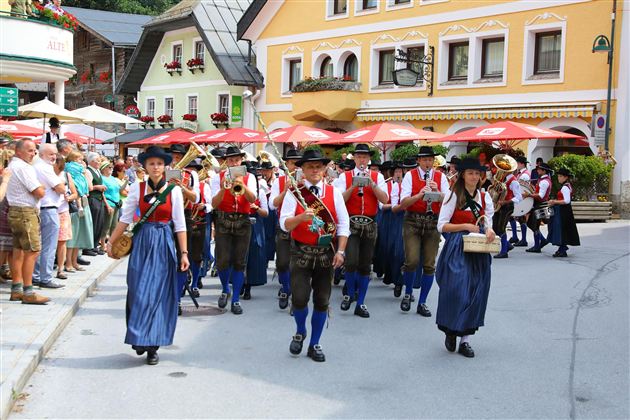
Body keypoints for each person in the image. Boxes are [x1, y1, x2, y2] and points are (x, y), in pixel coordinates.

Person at [107, 146, 189, 366]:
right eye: (152, 163)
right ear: (145, 166)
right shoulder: (137, 188)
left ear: (165, 167)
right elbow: (125, 219)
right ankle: (139, 335)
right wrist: (111, 242)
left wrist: (183, 253)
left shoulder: (174, 191)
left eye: (160, 164)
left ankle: (152, 345)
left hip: (163, 242)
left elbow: (180, 225)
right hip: (142, 242)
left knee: (157, 293)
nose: (156, 167)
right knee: (137, 289)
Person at [280, 149, 349, 362]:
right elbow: (283, 224)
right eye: (310, 166)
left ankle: (315, 343)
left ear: (324, 168)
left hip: (326, 254)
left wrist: (340, 251)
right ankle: (300, 330)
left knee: (321, 300)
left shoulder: (334, 192)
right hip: (301, 252)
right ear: (302, 169)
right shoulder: (295, 192)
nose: (315, 170)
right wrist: (301, 217)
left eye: (318, 166)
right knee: (300, 299)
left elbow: (343, 225)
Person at [435, 158, 496, 358]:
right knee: (457, 291)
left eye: (477, 174)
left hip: (478, 249)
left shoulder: (485, 197)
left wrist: (489, 231)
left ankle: (465, 339)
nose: (474, 177)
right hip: (457, 248)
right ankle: (451, 329)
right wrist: (464, 227)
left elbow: (487, 222)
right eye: (470, 173)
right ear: (463, 175)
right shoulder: (453, 195)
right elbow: (441, 225)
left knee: (475, 293)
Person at [333, 144, 388, 318]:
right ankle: (349, 293)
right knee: (351, 262)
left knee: (365, 265)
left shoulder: (377, 176)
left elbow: (385, 199)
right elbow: (339, 200)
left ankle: (361, 302)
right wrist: (353, 186)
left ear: (368, 159)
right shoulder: (345, 176)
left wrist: (372, 184)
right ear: (354, 159)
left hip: (370, 224)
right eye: (359, 157)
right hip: (351, 223)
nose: (362, 159)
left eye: (365, 157)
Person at [397, 146, 449, 317]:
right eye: (424, 160)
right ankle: (408, 293)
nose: (428, 163)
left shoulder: (441, 177)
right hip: (412, 220)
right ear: (418, 161)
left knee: (429, 264)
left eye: (430, 160)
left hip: (433, 221)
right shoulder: (410, 176)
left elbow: (449, 200)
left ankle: (422, 302)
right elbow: (403, 203)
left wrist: (437, 192)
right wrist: (420, 195)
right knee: (411, 260)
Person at [210, 146, 258, 315]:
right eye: (231, 160)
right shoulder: (217, 178)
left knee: (239, 262)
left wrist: (242, 184)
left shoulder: (250, 177)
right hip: (223, 220)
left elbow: (253, 199)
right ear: (226, 162)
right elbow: (214, 204)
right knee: (222, 260)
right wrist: (224, 189)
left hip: (242, 221)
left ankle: (236, 299)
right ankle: (225, 289)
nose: (234, 163)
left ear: (241, 160)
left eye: (237, 160)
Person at [6, 140, 49, 304]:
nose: (33, 154)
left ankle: (16, 289)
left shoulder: (13, 166)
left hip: (15, 210)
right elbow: (39, 191)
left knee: (19, 251)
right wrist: (42, 188)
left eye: (34, 151)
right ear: (18, 152)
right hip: (25, 212)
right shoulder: (24, 168)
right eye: (30, 151)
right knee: (32, 251)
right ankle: (28, 292)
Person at [269, 148, 302, 309]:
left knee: (298, 264)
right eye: (292, 163)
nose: (295, 167)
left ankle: (295, 296)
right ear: (286, 164)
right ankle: (287, 288)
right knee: (282, 263)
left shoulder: (307, 181)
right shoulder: (279, 181)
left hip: (302, 226)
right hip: (284, 226)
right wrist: (285, 191)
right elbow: (272, 204)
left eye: (298, 164)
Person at [32, 144, 66, 288]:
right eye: (51, 154)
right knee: (48, 246)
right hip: (48, 208)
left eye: (55, 154)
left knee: (41, 246)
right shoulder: (44, 167)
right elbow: (61, 188)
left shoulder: (37, 166)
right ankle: (44, 277)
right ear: (42, 154)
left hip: (42, 208)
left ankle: (37, 275)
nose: (54, 157)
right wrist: (59, 186)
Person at [64, 151, 94, 271]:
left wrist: (85, 173)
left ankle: (75, 261)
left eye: (82, 160)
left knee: (80, 234)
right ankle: (68, 263)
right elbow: (73, 191)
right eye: (78, 160)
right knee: (73, 235)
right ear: (71, 160)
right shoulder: (69, 173)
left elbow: (89, 188)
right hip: (74, 207)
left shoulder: (82, 174)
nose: (81, 163)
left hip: (83, 205)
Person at [491, 159, 522, 259]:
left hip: (507, 206)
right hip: (500, 205)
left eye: (504, 169)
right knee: (495, 227)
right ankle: (507, 245)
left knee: (501, 227)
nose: (502, 170)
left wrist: (506, 201)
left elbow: (519, 197)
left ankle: (504, 251)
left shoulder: (514, 181)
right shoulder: (502, 179)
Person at [547, 168, 580, 257]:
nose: (559, 178)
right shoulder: (567, 185)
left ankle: (562, 249)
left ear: (565, 177)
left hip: (563, 211)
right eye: (558, 176)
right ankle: (562, 248)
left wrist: (554, 201)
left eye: (560, 176)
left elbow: (566, 200)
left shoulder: (565, 187)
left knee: (560, 230)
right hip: (564, 211)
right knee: (563, 230)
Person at [55, 154, 77, 280]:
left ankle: (60, 269)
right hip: (48, 210)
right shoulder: (45, 174)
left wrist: (69, 197)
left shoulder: (66, 176)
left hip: (63, 211)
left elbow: (75, 193)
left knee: (62, 241)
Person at [523, 162, 553, 253]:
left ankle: (537, 246)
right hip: (541, 205)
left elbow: (540, 196)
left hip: (541, 205)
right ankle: (542, 241)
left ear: (544, 171)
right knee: (531, 224)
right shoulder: (544, 180)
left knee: (534, 225)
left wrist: (529, 194)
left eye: (539, 169)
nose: (537, 170)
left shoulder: (544, 181)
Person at [84, 153, 106, 255]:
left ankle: (95, 245)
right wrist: (98, 187)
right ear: (92, 161)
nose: (99, 162)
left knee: (100, 223)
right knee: (93, 222)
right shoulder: (88, 171)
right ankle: (89, 246)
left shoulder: (97, 171)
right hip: (93, 198)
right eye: (98, 160)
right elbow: (89, 187)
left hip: (99, 198)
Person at [510, 156, 531, 247]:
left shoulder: (525, 175)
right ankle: (515, 236)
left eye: (517, 163)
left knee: (521, 219)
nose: (516, 165)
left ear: (522, 164)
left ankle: (523, 239)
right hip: (520, 198)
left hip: (522, 199)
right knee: (513, 217)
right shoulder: (520, 173)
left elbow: (522, 188)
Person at [100, 161, 121, 247]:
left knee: (114, 225)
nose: (111, 169)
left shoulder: (113, 178)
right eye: (109, 167)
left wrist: (127, 182)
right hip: (109, 203)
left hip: (116, 203)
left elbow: (119, 189)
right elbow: (102, 193)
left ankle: (112, 243)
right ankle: (102, 245)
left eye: (112, 167)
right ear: (104, 169)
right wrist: (107, 205)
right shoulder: (102, 178)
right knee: (107, 225)